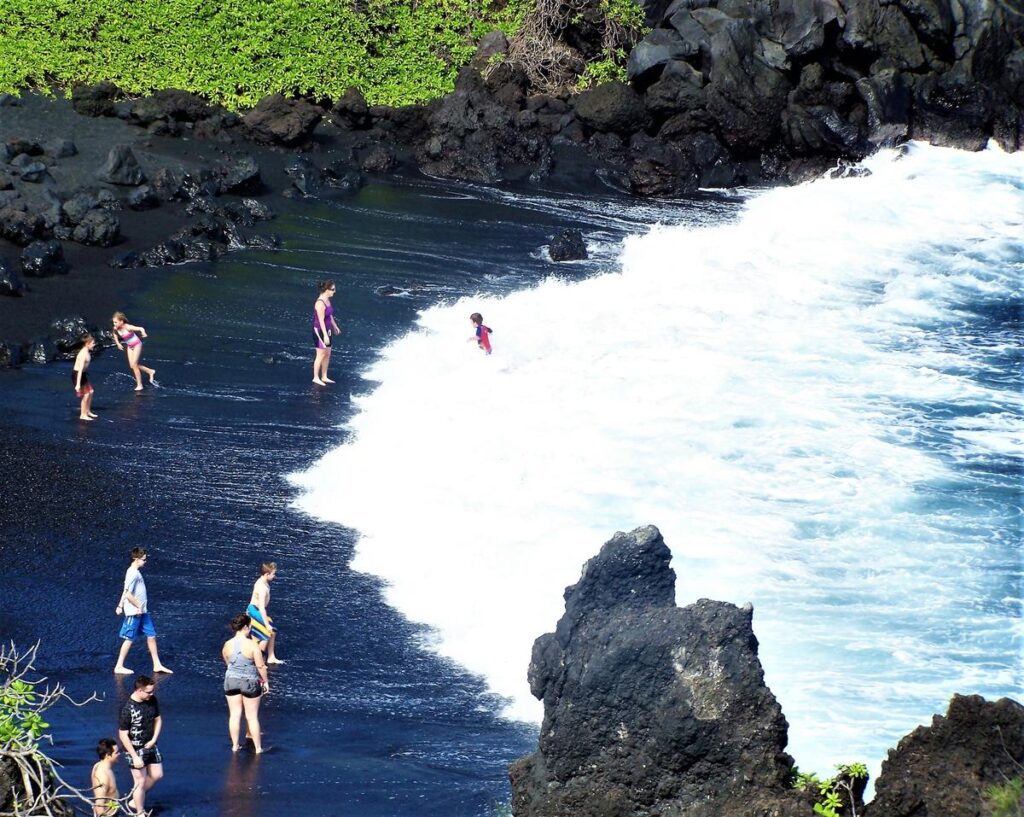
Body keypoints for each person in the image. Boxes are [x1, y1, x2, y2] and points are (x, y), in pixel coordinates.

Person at [113, 548, 173, 676]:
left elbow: (125, 591)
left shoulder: (136, 572)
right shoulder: (132, 573)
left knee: (151, 635)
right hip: (135, 612)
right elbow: (128, 593)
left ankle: (157, 664)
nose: (145, 562)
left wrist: (120, 605)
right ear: (136, 559)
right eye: (144, 559)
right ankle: (119, 666)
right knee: (129, 638)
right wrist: (137, 606)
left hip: (142, 612)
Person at [222, 614, 269, 753]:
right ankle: (258, 748)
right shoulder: (252, 645)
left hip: (231, 681)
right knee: (252, 716)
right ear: (245, 627)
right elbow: (260, 666)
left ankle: (235, 745)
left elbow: (227, 661)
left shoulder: (227, 644)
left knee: (234, 714)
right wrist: (265, 681)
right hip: (249, 681)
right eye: (250, 627)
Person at [117, 676, 163, 817]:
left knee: (157, 775)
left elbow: (158, 719)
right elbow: (123, 735)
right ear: (139, 690)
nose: (152, 694)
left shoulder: (151, 700)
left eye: (153, 691)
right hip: (134, 749)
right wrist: (135, 756)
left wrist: (154, 739)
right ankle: (140, 812)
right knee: (140, 781)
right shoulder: (127, 709)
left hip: (150, 744)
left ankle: (134, 801)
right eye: (148, 692)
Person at [247, 562, 283, 664]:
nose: (274, 576)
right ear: (267, 574)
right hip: (254, 610)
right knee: (267, 632)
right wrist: (266, 625)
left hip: (255, 610)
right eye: (273, 574)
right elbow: (262, 608)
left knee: (273, 631)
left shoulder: (264, 582)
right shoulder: (262, 587)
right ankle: (258, 659)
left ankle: (271, 657)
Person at [112, 312, 156, 391]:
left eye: (116, 322)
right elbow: (114, 334)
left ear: (121, 321)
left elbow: (140, 328)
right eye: (113, 322)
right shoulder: (115, 328)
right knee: (132, 366)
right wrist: (118, 343)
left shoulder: (128, 327)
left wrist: (143, 333)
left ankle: (140, 385)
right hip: (130, 346)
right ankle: (150, 371)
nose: (114, 324)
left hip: (137, 345)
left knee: (134, 365)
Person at [312, 280, 341, 385]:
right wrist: (325, 335)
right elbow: (321, 320)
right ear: (326, 290)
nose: (334, 291)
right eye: (332, 290)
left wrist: (335, 326)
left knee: (327, 353)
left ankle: (324, 376)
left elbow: (330, 315)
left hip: (327, 330)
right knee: (321, 353)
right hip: (319, 331)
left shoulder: (327, 300)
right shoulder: (320, 303)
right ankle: (316, 377)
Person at [90, 738, 120, 817]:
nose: (119, 754)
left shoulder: (100, 765)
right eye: (116, 753)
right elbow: (99, 804)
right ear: (107, 755)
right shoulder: (102, 775)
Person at [73, 335, 98, 421]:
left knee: (91, 391)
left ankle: (87, 411)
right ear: (87, 344)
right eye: (93, 343)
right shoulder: (83, 354)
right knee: (86, 394)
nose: (94, 344)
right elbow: (79, 370)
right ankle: (83, 415)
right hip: (78, 375)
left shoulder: (87, 351)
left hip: (82, 374)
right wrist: (78, 384)